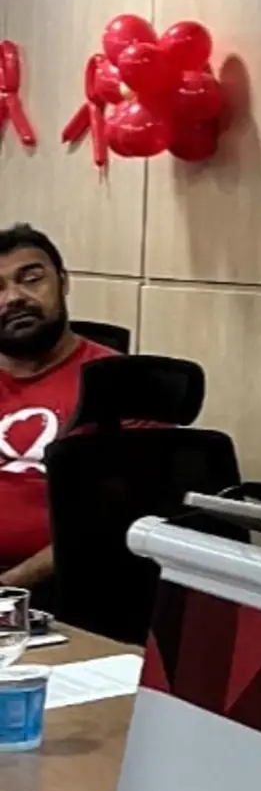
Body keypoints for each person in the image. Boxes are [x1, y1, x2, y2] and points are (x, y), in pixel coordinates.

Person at [0, 224, 119, 592]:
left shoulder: (119, 382)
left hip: (61, 594)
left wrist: (7, 588)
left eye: (31, 279)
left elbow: (117, 517)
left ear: (63, 282)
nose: (13, 298)